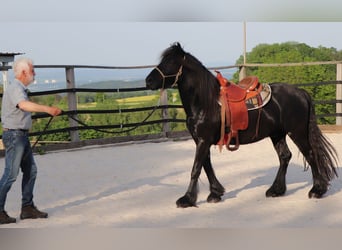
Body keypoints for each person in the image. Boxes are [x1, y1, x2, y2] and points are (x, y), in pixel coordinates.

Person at [0, 57, 62, 224]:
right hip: (15, 136)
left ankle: (27, 208)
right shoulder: (16, 89)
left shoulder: (18, 88)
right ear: (23, 72)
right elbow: (24, 105)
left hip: (20, 136)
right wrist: (48, 109)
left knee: (30, 171)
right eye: (32, 70)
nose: (34, 73)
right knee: (11, 174)